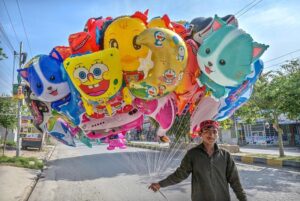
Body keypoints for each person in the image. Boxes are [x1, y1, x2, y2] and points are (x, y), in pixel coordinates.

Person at [149, 120, 247, 201]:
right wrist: (160, 184)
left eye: (214, 131)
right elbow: (180, 175)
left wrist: (243, 199)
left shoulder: (225, 155)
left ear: (217, 134)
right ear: (200, 134)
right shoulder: (192, 154)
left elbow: (235, 181)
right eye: (207, 131)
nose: (211, 134)